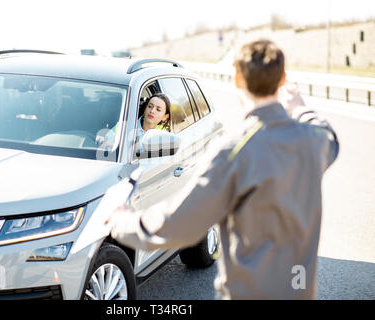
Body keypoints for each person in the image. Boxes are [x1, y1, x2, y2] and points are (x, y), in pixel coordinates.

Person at [106, 39, 339, 300]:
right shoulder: (313, 140)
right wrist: (300, 108)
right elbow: (329, 135)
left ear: (238, 79)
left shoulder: (233, 151)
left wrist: (123, 221)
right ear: (283, 79)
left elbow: (178, 224)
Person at [103, 93, 171, 149]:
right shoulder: (123, 126)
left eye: (158, 110)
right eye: (150, 106)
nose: (152, 111)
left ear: (165, 117)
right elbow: (104, 145)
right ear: (145, 108)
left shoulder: (163, 134)